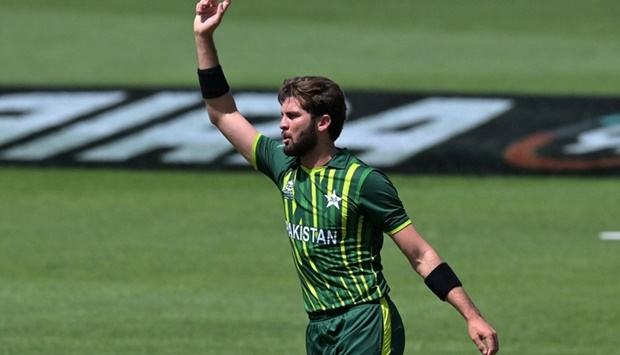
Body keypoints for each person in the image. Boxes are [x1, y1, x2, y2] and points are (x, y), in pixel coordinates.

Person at [193, 1, 499, 354]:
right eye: (282, 114)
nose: (282, 124)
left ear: (323, 122)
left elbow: (420, 254)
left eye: (292, 116)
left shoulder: (363, 181)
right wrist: (204, 37)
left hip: (365, 321)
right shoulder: (283, 165)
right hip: (319, 329)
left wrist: (471, 315)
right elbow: (224, 114)